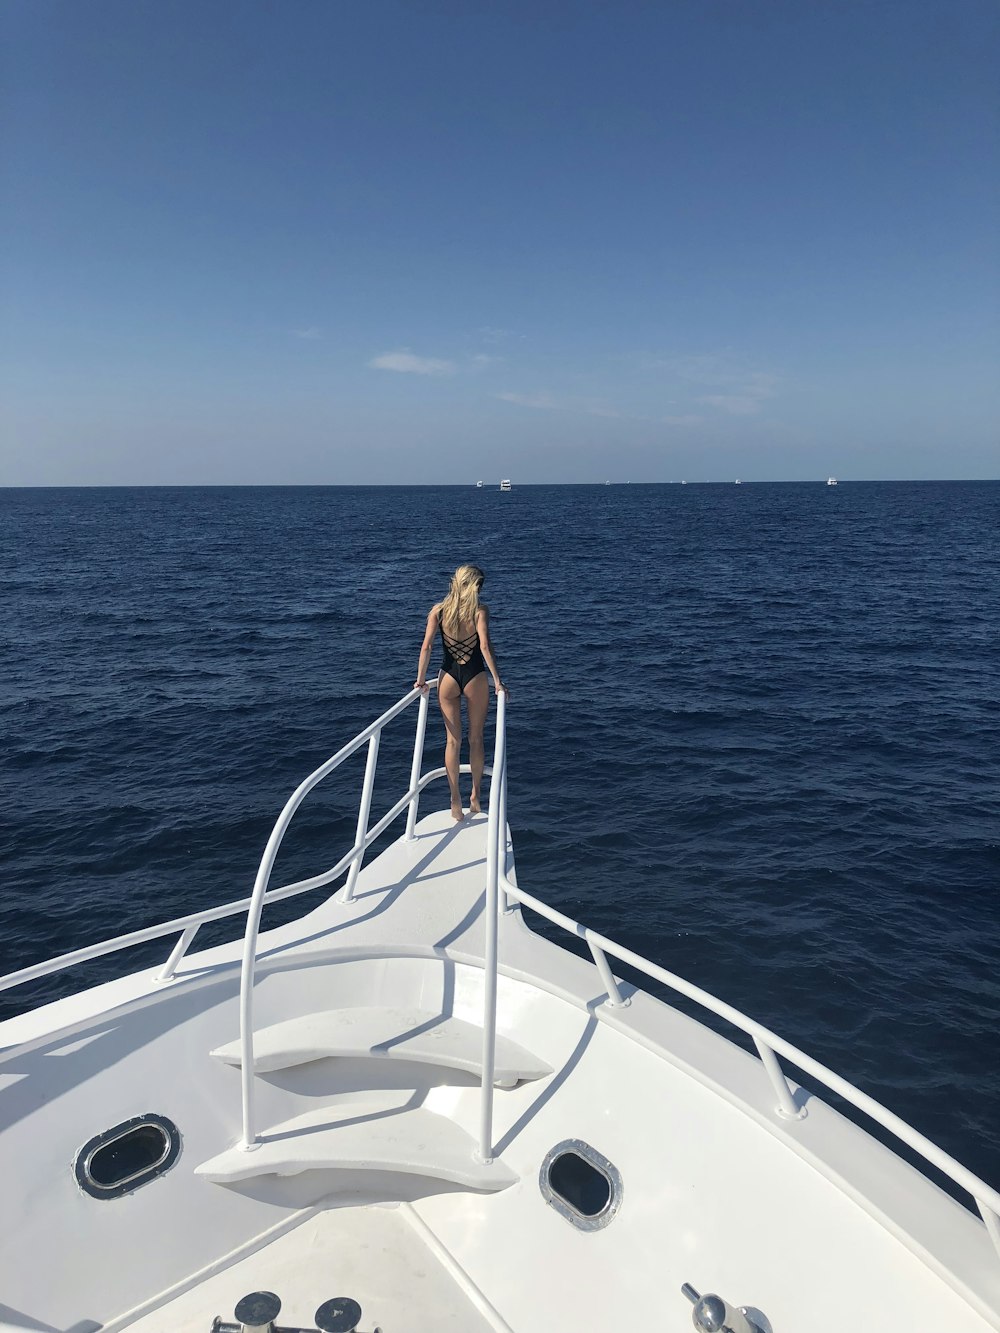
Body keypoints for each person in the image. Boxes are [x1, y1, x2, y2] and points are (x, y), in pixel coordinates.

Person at [413, 564, 508, 822]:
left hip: (447, 678)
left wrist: (420, 680)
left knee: (452, 741)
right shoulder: (480, 611)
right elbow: (485, 647)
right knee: (475, 739)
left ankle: (454, 799)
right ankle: (475, 796)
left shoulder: (438, 611)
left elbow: (427, 647)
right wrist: (498, 681)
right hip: (475, 677)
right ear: (475, 585)